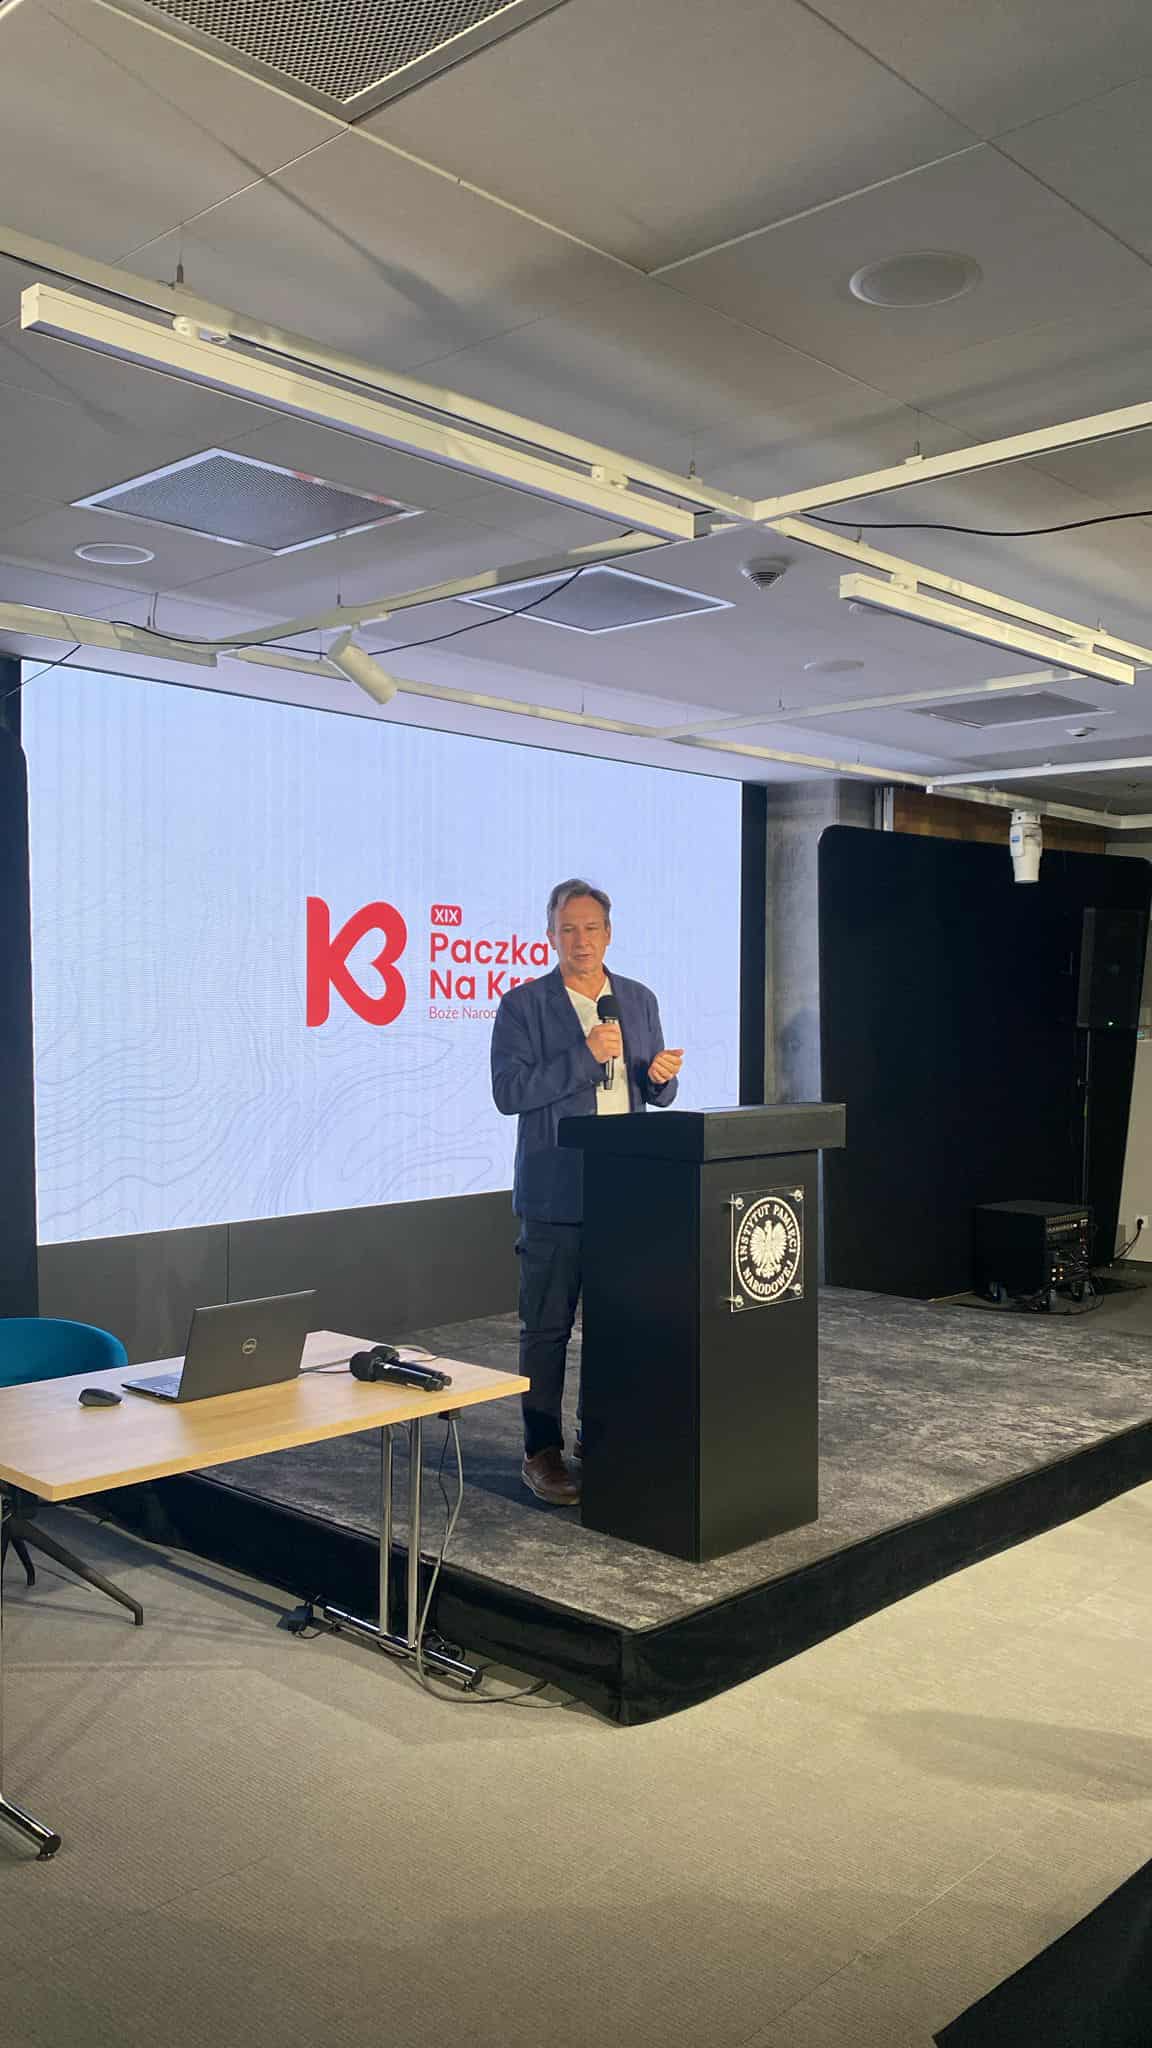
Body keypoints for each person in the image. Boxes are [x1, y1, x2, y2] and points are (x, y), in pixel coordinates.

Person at [490, 879, 684, 1505]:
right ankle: (540, 1451)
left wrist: (660, 1079)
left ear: (609, 933)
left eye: (591, 928)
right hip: (554, 1194)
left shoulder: (638, 999)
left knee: (614, 1326)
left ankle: (596, 1436)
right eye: (568, 929)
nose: (581, 940)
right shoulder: (523, 1006)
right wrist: (584, 1054)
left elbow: (652, 1090)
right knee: (546, 1330)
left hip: (624, 1193)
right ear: (550, 936)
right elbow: (509, 1093)